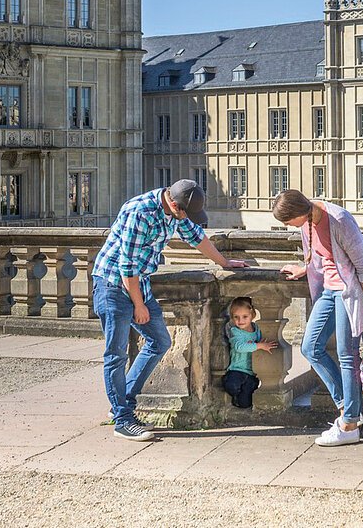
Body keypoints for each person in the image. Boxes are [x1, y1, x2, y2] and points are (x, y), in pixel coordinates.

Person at [93, 179, 248, 441]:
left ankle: (123, 405)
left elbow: (196, 237)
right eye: (186, 214)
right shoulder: (139, 211)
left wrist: (225, 262)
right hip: (113, 285)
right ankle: (122, 420)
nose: (187, 219)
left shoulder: (176, 210)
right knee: (116, 354)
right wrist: (139, 305)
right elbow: (127, 265)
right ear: (174, 205)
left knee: (159, 341)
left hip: (139, 283)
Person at [273, 189, 363, 447]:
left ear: (299, 212)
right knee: (310, 347)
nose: (288, 226)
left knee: (347, 355)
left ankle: (350, 425)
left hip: (348, 293)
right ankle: (347, 407)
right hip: (327, 290)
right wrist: (304, 268)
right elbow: (321, 257)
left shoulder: (339, 220)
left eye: (288, 221)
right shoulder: (306, 222)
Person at [223, 296, 278, 408]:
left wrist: (262, 345)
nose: (240, 321)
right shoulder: (236, 332)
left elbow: (261, 342)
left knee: (245, 403)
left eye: (245, 317)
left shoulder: (256, 329)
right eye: (236, 317)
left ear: (252, 315)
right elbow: (239, 347)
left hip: (252, 373)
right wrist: (260, 345)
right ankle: (235, 393)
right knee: (231, 386)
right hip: (237, 370)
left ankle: (241, 398)